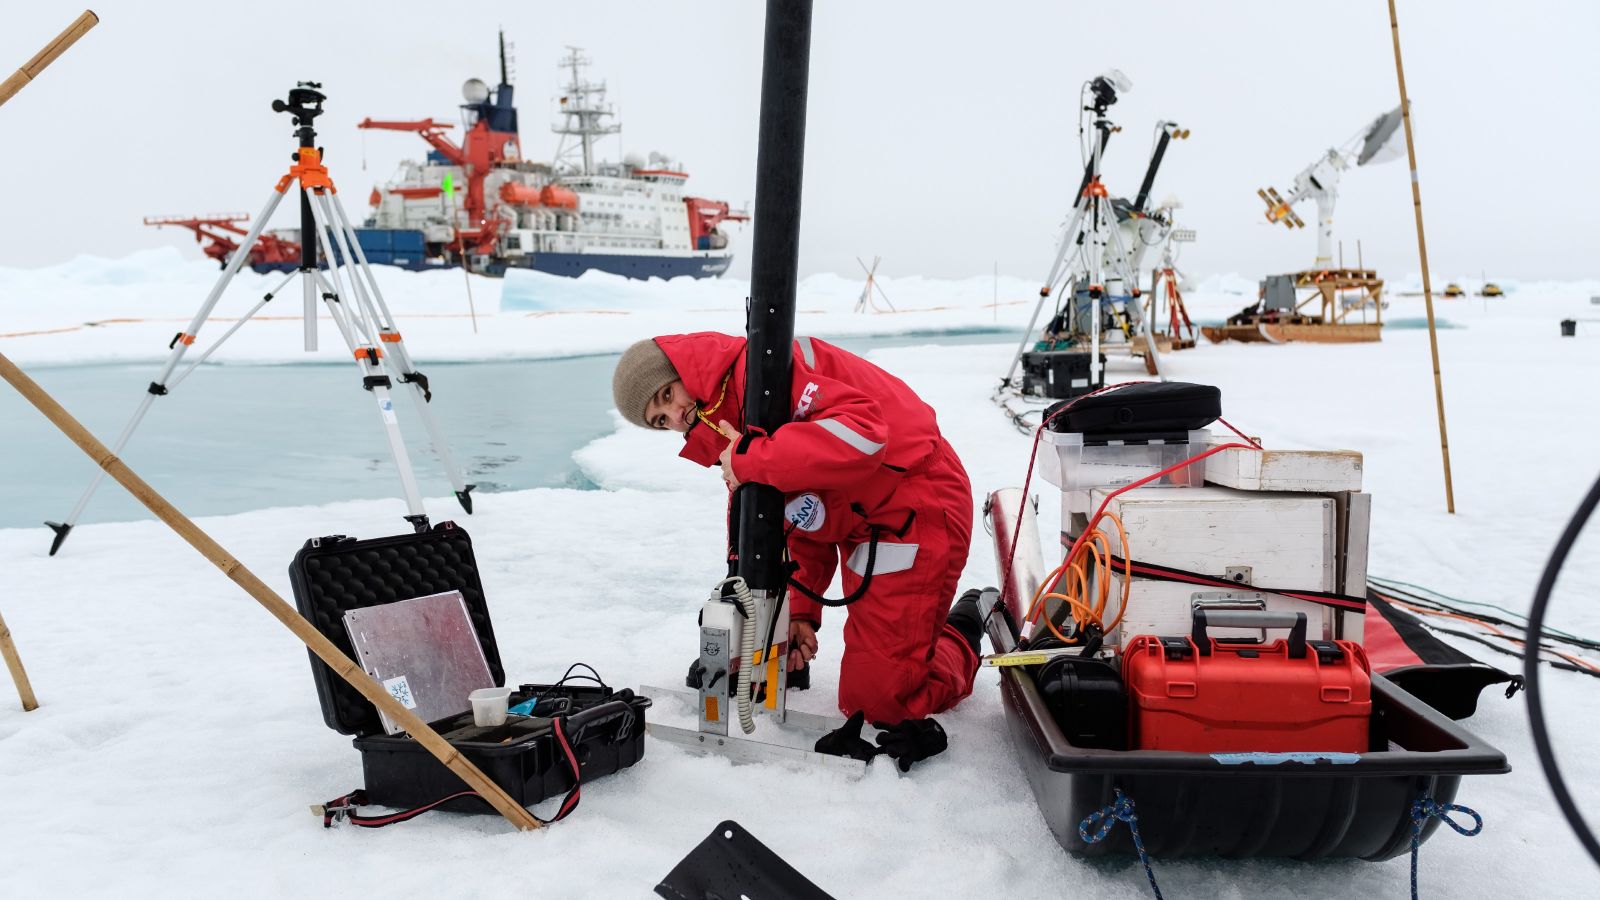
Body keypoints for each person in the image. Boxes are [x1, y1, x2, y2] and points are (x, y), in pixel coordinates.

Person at [611, 331, 986, 749]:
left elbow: (864, 435)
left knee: (881, 705)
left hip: (915, 504)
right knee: (872, 689)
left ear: (684, 371)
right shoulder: (722, 417)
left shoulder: (766, 370)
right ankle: (917, 640)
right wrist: (800, 612)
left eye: (667, 394)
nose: (677, 415)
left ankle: (963, 633)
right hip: (855, 516)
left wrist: (751, 459)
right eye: (660, 419)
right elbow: (797, 510)